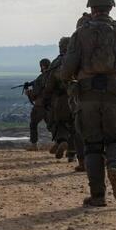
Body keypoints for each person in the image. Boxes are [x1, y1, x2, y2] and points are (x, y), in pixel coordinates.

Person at [60, 0, 116, 207]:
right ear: (111, 6)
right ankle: (115, 165)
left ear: (91, 7)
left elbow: (66, 70)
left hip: (87, 95)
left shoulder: (79, 33)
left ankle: (98, 196)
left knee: (91, 145)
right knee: (114, 138)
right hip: (114, 94)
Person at [44, 36, 81, 164]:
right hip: (76, 98)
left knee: (59, 123)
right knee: (75, 126)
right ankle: (72, 154)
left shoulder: (56, 62)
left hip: (60, 100)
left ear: (61, 47)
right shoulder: (78, 60)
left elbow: (49, 84)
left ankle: (62, 141)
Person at [24, 59, 51, 150]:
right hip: (52, 106)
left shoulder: (41, 78)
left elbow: (35, 94)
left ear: (42, 66)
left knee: (33, 124)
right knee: (53, 126)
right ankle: (59, 142)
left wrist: (28, 93)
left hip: (40, 106)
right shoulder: (53, 76)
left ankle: (34, 145)